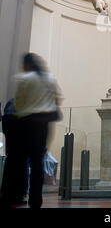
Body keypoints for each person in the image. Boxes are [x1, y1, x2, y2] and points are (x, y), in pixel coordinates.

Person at [0, 53, 62, 208]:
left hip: (25, 124)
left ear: (27, 65)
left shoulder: (22, 78)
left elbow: (19, 103)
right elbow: (57, 99)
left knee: (20, 162)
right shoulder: (49, 78)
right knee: (37, 164)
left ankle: (13, 195)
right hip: (43, 125)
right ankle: (36, 200)